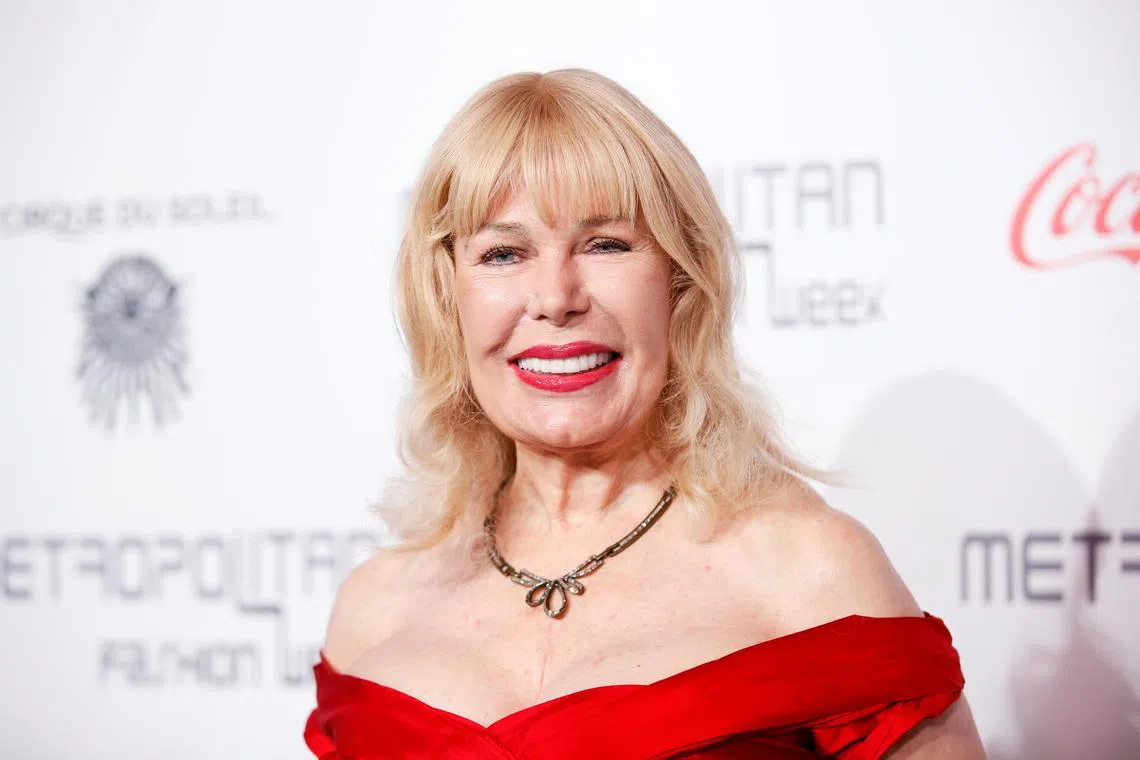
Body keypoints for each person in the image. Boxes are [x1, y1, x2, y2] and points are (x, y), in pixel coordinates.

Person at [303, 68, 986, 759]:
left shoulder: (812, 573)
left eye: (605, 245)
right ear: (446, 298)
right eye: (503, 253)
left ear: (680, 283)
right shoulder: (371, 614)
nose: (555, 296)